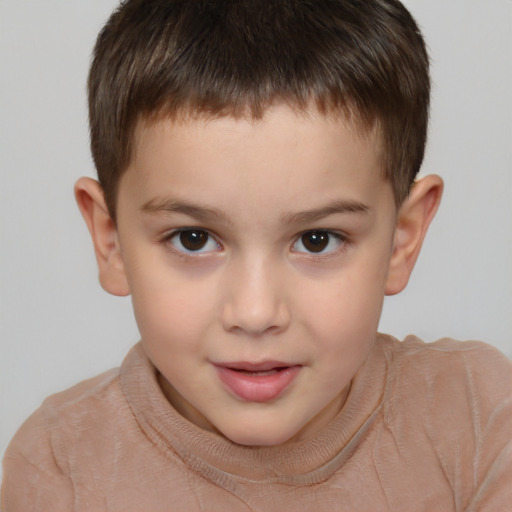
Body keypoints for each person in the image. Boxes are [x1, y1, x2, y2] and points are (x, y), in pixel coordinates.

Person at [2, 0, 511, 509]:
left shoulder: (478, 418)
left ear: (403, 236)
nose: (255, 312)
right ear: (110, 239)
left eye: (317, 240)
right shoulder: (59, 468)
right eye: (193, 239)